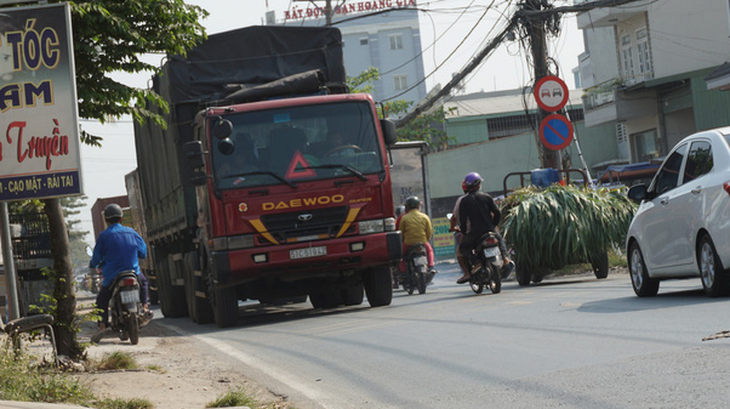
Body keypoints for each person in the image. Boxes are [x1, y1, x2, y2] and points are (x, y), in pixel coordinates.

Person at [90, 203, 150, 343]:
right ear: (121, 218)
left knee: (101, 301)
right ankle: (145, 307)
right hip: (133, 272)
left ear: (106, 220)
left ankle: (102, 327)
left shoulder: (104, 236)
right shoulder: (132, 232)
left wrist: (93, 264)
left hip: (112, 276)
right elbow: (143, 252)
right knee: (145, 282)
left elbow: (97, 258)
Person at [455, 172, 513, 284]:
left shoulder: (464, 201)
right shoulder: (486, 196)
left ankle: (476, 262)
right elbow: (497, 213)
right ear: (478, 185)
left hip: (475, 233)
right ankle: (505, 258)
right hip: (489, 229)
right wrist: (493, 224)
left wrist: (464, 231)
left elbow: (462, 221)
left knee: (464, 248)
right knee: (500, 239)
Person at [398, 196, 436, 278]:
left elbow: (401, 233)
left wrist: (403, 241)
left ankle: (403, 273)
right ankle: (431, 267)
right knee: (429, 251)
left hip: (408, 242)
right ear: (418, 206)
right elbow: (429, 231)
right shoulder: (424, 216)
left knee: (399, 256)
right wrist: (426, 240)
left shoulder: (404, 218)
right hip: (422, 241)